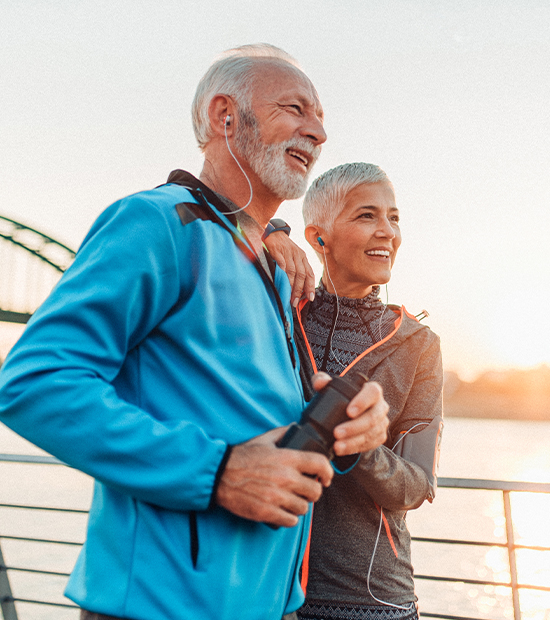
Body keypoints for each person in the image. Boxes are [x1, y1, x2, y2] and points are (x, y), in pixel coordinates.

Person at [0, 47, 390, 620]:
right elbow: (35, 383)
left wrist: (346, 425)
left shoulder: (270, 265)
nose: (320, 131)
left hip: (265, 603)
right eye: (295, 108)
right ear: (224, 117)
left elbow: (243, 411)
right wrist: (219, 472)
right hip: (159, 607)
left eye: (322, 116)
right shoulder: (157, 224)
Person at [291, 163, 443, 620]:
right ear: (319, 237)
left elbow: (416, 486)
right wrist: (274, 231)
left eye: (393, 218)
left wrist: (363, 447)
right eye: (366, 216)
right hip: (269, 595)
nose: (388, 233)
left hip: (372, 603)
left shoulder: (417, 344)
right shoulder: (279, 316)